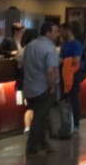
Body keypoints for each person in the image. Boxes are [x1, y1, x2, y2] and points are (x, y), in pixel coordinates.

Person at [22, 22, 59, 157]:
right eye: (55, 31)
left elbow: (23, 64)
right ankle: (32, 149)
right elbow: (51, 70)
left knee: (41, 117)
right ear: (48, 32)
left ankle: (43, 144)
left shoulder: (30, 46)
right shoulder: (50, 48)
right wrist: (52, 85)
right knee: (39, 119)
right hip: (43, 88)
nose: (57, 34)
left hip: (29, 87)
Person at [59, 23, 84, 133]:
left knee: (74, 100)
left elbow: (76, 60)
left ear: (68, 30)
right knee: (65, 100)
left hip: (73, 75)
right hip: (63, 76)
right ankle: (67, 123)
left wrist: (64, 61)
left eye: (62, 31)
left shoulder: (76, 44)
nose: (60, 34)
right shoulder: (64, 44)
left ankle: (76, 124)